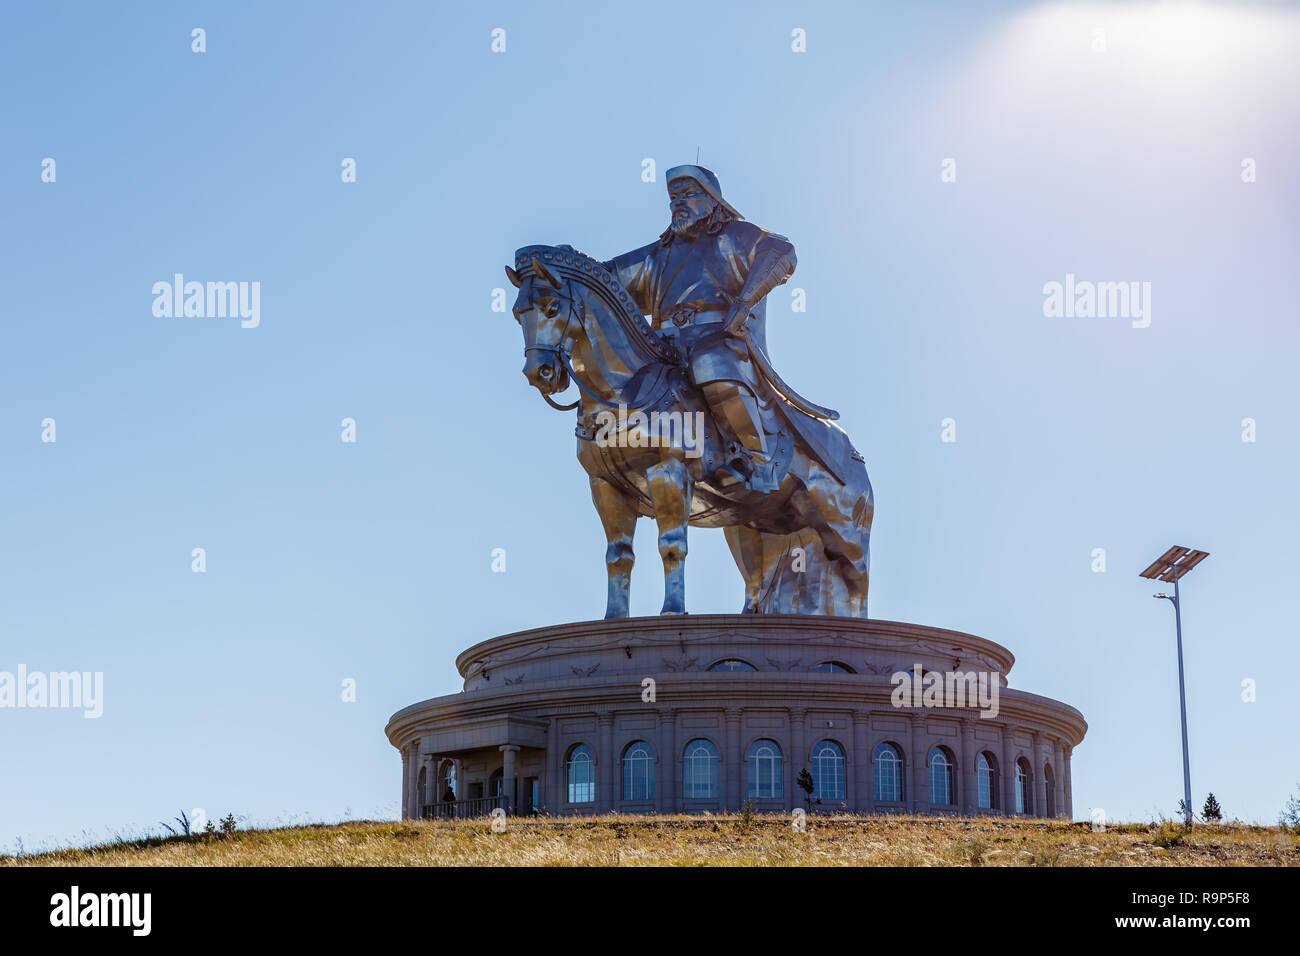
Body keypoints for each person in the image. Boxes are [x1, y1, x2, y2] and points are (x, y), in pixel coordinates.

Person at [602, 165, 796, 492]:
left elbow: (781, 251)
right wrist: (562, 267)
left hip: (719, 340)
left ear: (711, 200)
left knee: (711, 362)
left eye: (688, 194)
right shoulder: (658, 254)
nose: (679, 202)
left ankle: (757, 459)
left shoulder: (734, 235)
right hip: (664, 347)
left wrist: (745, 301)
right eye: (673, 197)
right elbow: (603, 277)